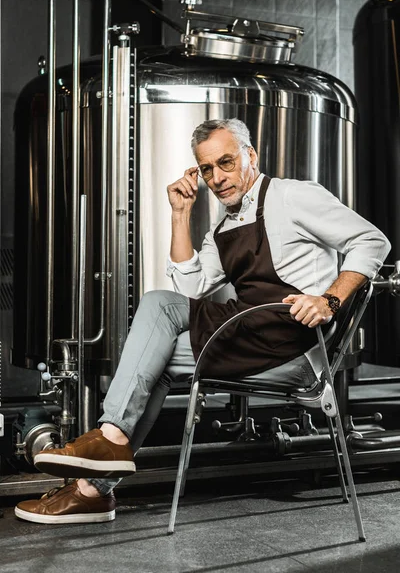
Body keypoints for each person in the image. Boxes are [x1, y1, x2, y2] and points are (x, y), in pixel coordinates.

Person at [14, 118, 390, 524]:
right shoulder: (223, 227)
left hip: (293, 343)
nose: (217, 177)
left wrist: (329, 300)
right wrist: (180, 214)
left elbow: (371, 240)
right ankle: (97, 477)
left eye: (226, 162)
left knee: (156, 324)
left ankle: (103, 457)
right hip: (251, 334)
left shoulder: (293, 196)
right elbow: (192, 287)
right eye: (207, 169)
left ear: (251, 155)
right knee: (155, 341)